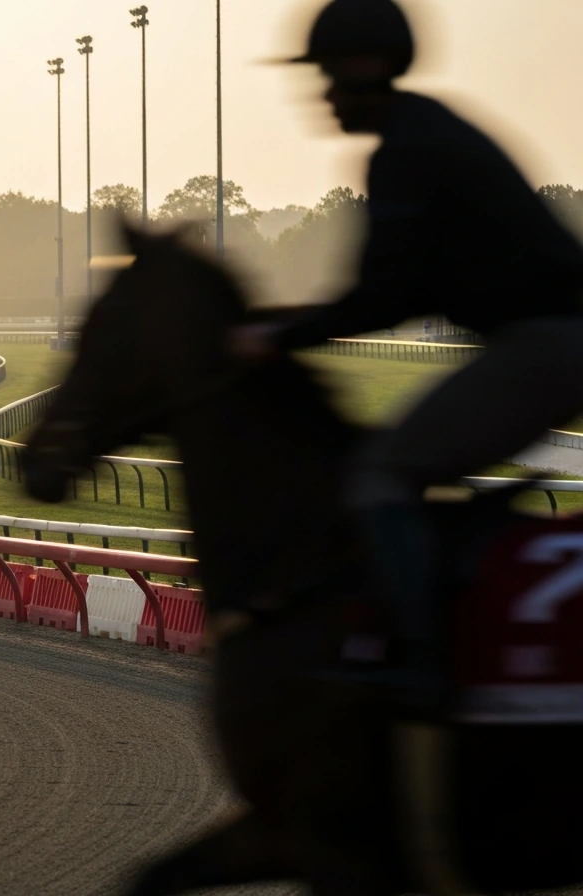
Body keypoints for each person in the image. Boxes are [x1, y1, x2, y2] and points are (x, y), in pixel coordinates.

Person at [233, 0, 583, 705]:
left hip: (550, 341)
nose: (322, 95)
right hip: (548, 334)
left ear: (364, 69)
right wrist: (288, 323)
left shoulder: (404, 150)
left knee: (382, 471)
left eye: (328, 76)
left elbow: (380, 298)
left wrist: (276, 338)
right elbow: (382, 290)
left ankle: (425, 664)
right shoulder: (423, 131)